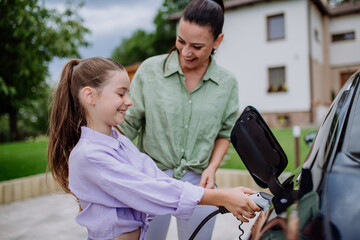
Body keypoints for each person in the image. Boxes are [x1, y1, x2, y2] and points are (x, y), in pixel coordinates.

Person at [47, 57, 259, 240]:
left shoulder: (118, 140)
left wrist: (222, 195)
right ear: (90, 96)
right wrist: (219, 197)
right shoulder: (90, 155)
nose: (129, 102)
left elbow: (155, 178)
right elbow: (147, 190)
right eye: (121, 94)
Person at [118, 0, 238, 239]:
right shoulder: (150, 71)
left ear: (217, 42)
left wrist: (212, 169)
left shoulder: (227, 83)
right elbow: (126, 125)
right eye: (181, 41)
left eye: (197, 46)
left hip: (200, 184)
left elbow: (225, 133)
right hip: (151, 179)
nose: (185, 52)